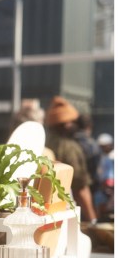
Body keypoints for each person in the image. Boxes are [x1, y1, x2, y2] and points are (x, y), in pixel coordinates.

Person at [44, 96, 98, 224]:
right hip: (64, 211)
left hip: (42, 210)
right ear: (67, 124)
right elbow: (81, 188)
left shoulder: (44, 144)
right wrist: (93, 219)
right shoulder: (70, 148)